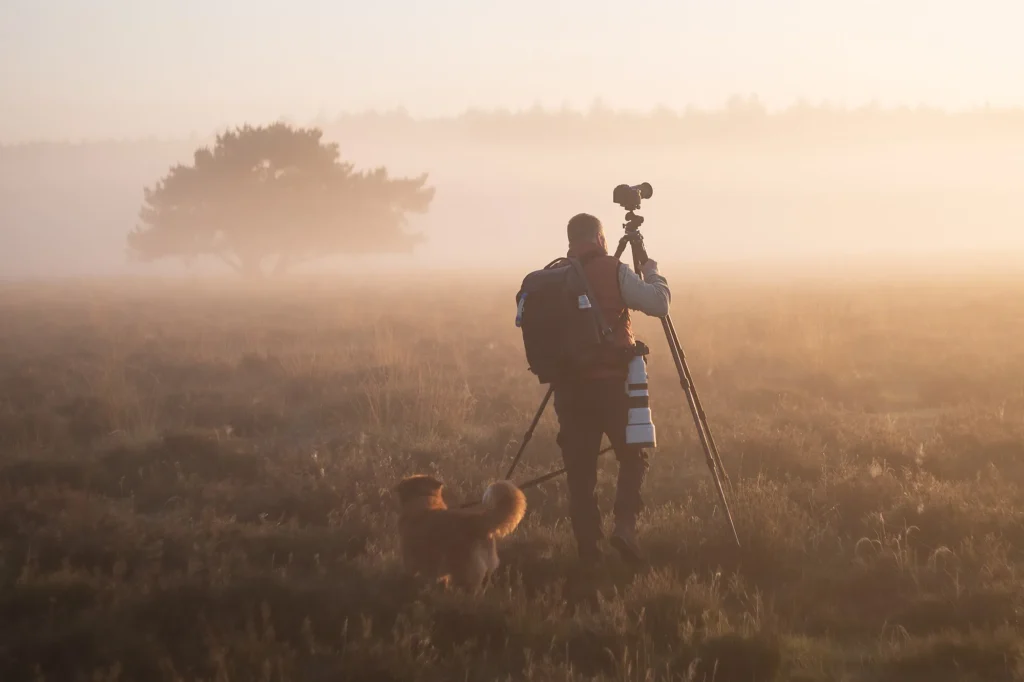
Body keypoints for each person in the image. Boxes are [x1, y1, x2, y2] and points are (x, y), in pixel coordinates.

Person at [553, 212, 671, 567]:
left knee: (580, 470)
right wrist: (650, 271)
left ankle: (588, 550)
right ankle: (625, 527)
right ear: (601, 239)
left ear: (571, 240)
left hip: (570, 392)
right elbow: (658, 304)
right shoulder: (612, 269)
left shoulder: (555, 276)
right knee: (632, 456)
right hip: (614, 386)